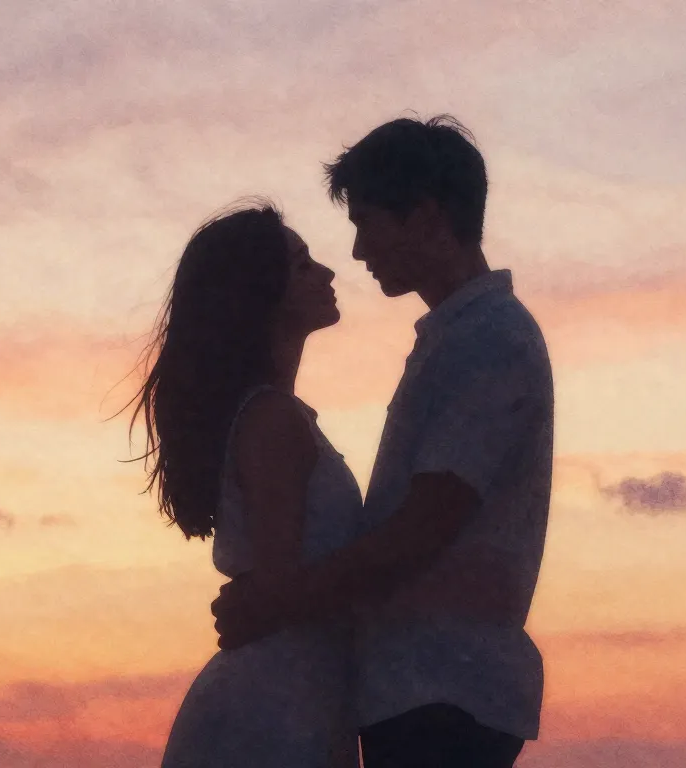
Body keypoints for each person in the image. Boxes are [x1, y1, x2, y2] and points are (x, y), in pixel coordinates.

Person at [210, 115, 555, 768]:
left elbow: (426, 524)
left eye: (367, 222)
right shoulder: (457, 338)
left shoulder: (488, 340)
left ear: (425, 216)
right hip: (419, 687)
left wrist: (277, 602)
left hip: (443, 687)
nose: (358, 250)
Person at [127, 200, 366, 767]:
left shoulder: (273, 416)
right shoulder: (271, 420)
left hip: (293, 692)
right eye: (303, 265)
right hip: (276, 704)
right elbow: (282, 586)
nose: (327, 272)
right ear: (263, 292)